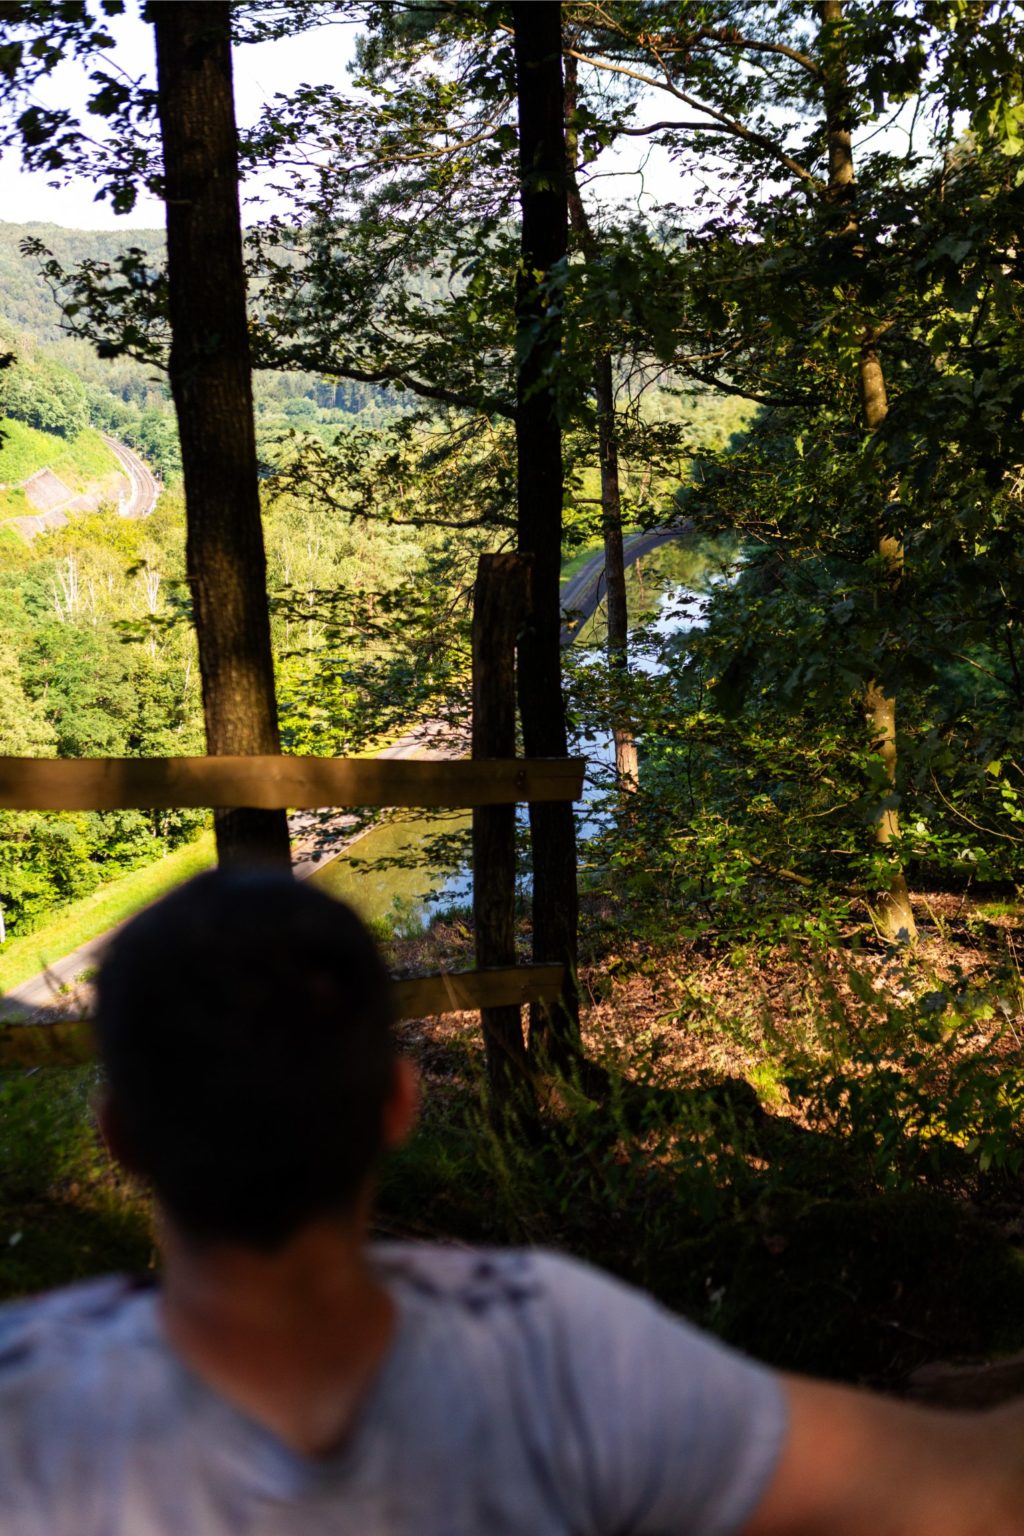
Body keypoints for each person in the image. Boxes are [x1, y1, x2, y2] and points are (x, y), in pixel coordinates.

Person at [1, 869, 1023, 1535]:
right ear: (398, 1106)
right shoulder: (551, 1353)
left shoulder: (28, 1406)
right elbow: (969, 1490)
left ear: (120, 1137)